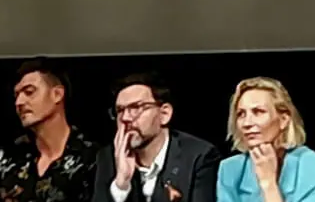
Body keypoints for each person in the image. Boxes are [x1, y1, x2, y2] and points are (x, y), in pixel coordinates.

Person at [93, 74, 220, 202]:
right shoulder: (107, 158)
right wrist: (121, 186)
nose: (125, 118)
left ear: (164, 114)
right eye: (120, 110)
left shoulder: (199, 156)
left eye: (136, 108)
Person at [0, 59, 97, 202]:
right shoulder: (9, 157)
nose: (19, 102)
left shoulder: (91, 158)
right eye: (16, 95)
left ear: (57, 94)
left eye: (29, 92)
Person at [215, 78, 315, 202]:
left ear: (284, 119)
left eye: (258, 112)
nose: (247, 123)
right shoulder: (230, 169)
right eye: (241, 114)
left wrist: (269, 184)